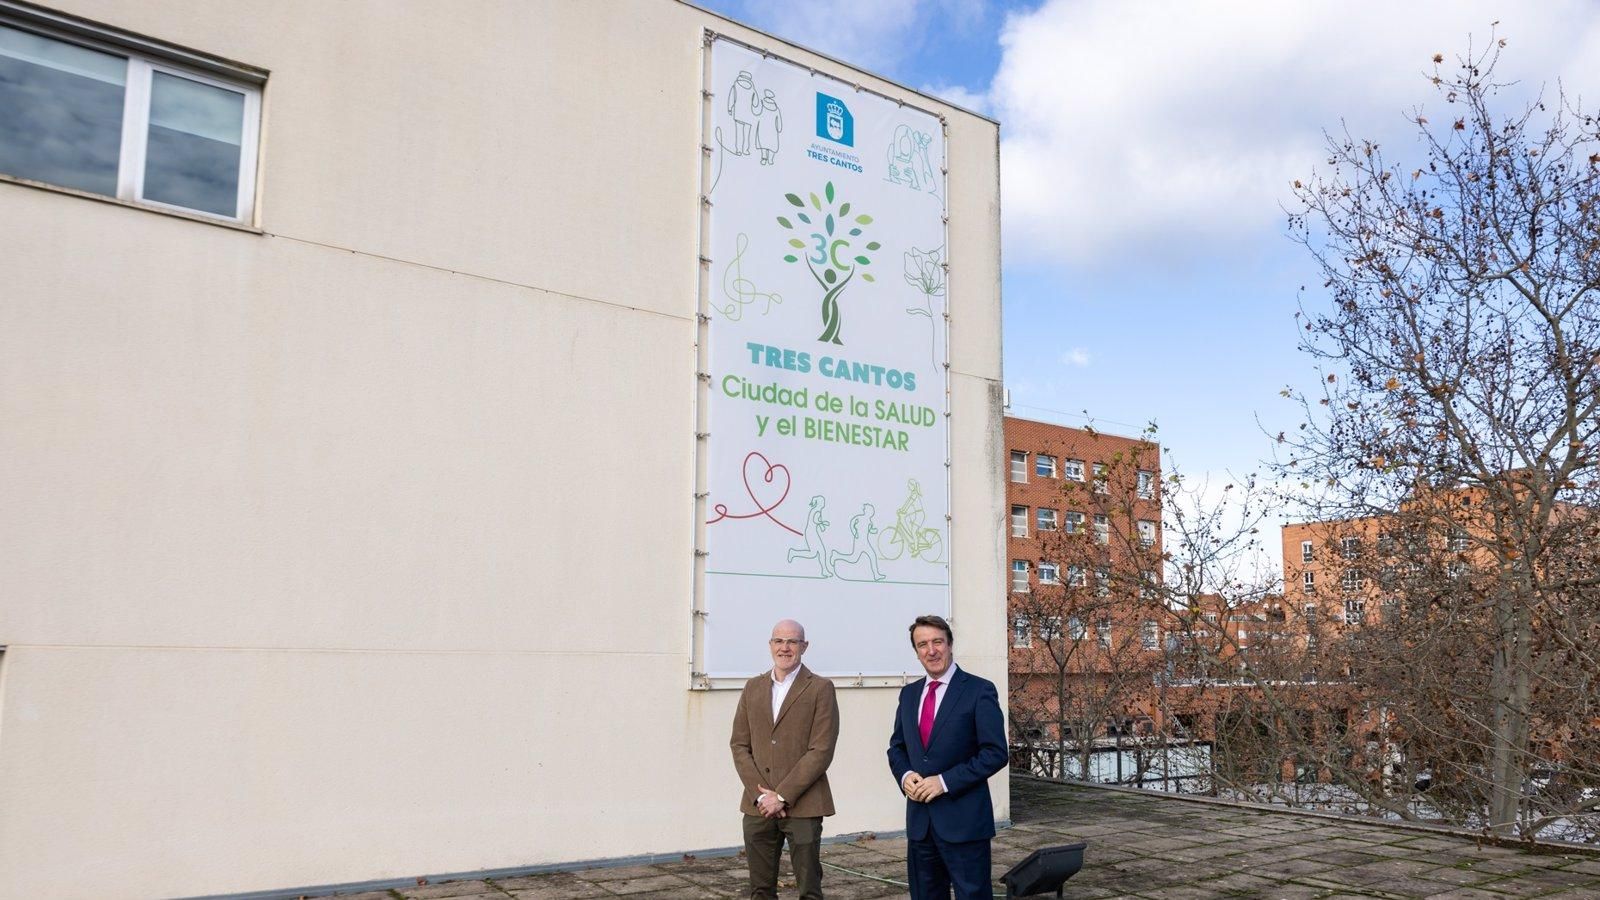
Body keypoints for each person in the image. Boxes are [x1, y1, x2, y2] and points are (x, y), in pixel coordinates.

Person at [887, 615, 1007, 900]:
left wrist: (944, 782)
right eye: (923, 644)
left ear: (950, 645)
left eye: (937, 642)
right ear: (916, 652)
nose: (931, 650)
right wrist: (905, 776)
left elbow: (995, 753)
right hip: (920, 825)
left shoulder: (979, 690)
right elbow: (897, 748)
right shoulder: (909, 694)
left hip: (965, 823)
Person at [731, 619, 840, 899]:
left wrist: (781, 796)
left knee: (809, 890)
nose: (785, 647)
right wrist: (762, 797)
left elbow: (821, 750)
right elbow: (739, 745)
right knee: (760, 890)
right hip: (757, 808)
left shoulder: (821, 689)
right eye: (779, 641)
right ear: (770, 645)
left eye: (792, 641)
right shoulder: (752, 687)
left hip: (804, 805)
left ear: (804, 646)